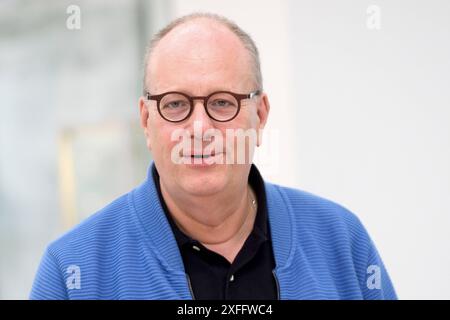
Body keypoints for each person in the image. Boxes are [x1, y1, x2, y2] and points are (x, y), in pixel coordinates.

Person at [30, 12, 396, 300]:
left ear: (261, 115)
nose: (200, 128)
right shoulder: (72, 271)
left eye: (223, 102)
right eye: (175, 104)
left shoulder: (341, 241)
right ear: (146, 120)